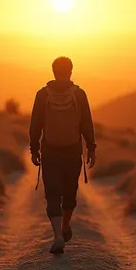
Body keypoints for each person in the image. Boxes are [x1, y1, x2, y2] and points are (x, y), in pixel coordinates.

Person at [29, 56, 97, 254]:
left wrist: (34, 150)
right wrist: (91, 148)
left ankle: (57, 235)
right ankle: (65, 225)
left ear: (53, 71)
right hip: (73, 150)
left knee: (52, 192)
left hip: (50, 150)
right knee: (70, 191)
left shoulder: (42, 95)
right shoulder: (79, 94)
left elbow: (35, 124)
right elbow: (86, 123)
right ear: (71, 71)